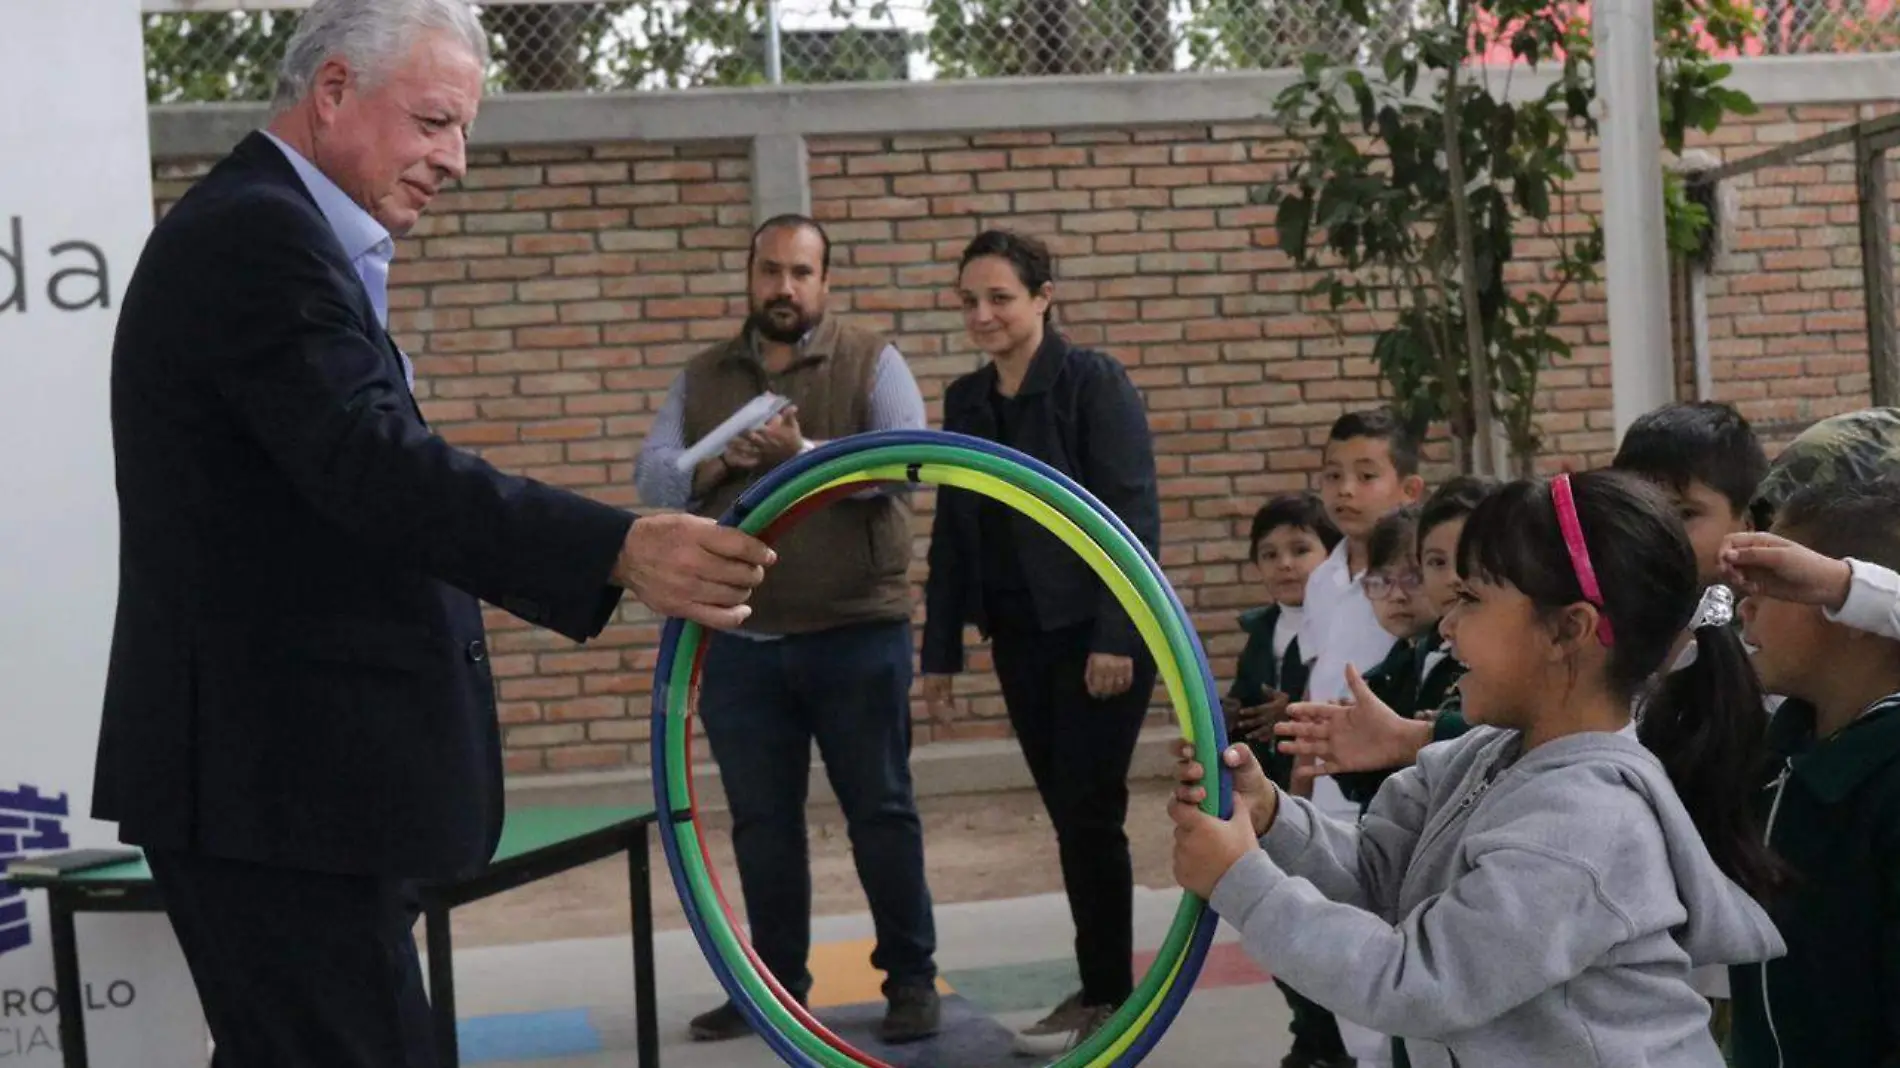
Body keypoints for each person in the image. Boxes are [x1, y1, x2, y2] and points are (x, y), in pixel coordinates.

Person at [90, 4, 775, 1066]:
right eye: (433, 123)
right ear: (330, 94)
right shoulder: (255, 236)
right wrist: (618, 547)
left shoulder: (282, 230)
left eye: (462, 132)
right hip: (272, 792)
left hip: (296, 793)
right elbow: (371, 467)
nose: (453, 160)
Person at [1171, 471, 1787, 1068]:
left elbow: (1415, 982)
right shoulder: (1483, 753)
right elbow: (1380, 876)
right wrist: (1272, 818)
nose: (1445, 623)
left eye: (1471, 598)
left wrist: (1240, 881)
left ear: (1568, 630)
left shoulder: (1586, 826)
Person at [632, 214, 942, 1044]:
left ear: (825, 283)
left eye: (801, 273)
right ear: (749, 277)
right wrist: (722, 461)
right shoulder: (706, 375)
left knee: (880, 810)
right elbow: (655, 477)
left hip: (855, 632)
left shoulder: (871, 359)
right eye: (770, 271)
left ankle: (911, 981)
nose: (783, 289)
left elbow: (908, 462)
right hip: (742, 641)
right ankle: (772, 990)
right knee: (762, 824)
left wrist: (803, 448)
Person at [920, 229, 1161, 1056]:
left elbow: (1128, 510)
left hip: (1099, 638)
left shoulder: (1093, 383)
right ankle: (1097, 983)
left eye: (1000, 298)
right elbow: (954, 526)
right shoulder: (966, 401)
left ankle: (1113, 999)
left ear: (1044, 297)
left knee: (1093, 814)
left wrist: (1118, 635)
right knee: (1069, 816)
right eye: (968, 301)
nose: (982, 315)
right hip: (1021, 638)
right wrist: (941, 650)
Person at [1723, 481, 1900, 1068]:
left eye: (1776, 585)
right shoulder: (1780, 757)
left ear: (1854, 612)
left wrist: (1847, 586)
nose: (1745, 605)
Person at [1224, 493, 1349, 1068]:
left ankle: (1330, 1041)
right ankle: (1308, 1031)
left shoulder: (1339, 623)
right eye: (1269, 554)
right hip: (1267, 802)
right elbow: (1246, 705)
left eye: (1301, 549)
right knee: (1274, 924)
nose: (1285, 564)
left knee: (1318, 922)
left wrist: (1292, 710)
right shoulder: (1263, 631)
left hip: (1319, 802)